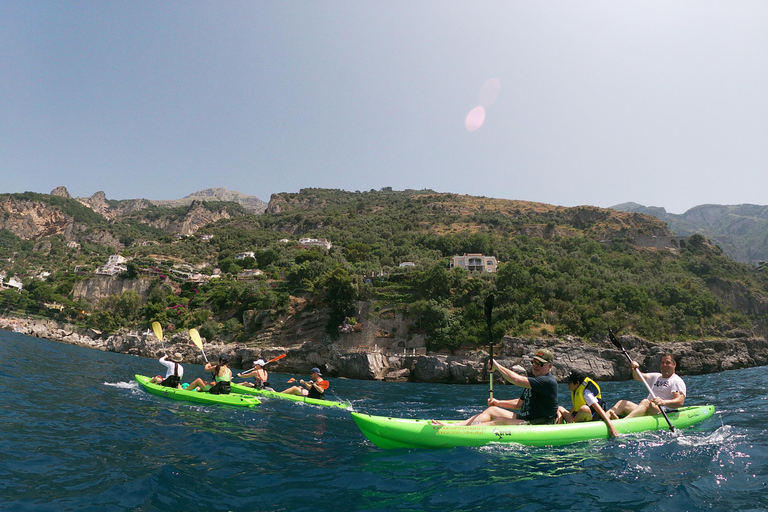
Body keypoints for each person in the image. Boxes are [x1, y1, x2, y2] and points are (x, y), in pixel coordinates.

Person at [437, 349, 559, 426]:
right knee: (492, 410)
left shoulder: (547, 381)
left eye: (540, 364)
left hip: (539, 423)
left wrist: (497, 366)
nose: (535, 366)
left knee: (500, 421)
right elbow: (518, 403)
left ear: (550, 366)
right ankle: (460, 426)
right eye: (534, 362)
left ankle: (461, 431)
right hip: (525, 418)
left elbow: (516, 379)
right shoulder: (536, 381)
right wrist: (498, 402)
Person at [607, 353, 686, 420]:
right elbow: (638, 376)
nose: (664, 365)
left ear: (674, 364)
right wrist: (635, 368)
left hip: (663, 412)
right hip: (648, 408)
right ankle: (604, 418)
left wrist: (663, 402)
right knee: (622, 403)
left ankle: (623, 422)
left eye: (668, 363)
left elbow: (680, 402)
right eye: (662, 363)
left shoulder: (676, 380)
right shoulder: (656, 376)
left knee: (646, 402)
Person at [557, 370, 619, 438]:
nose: (568, 384)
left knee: (584, 409)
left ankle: (570, 427)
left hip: (590, 420)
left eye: (569, 383)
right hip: (578, 419)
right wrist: (568, 415)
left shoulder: (586, 393)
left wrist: (611, 426)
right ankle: (557, 428)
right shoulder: (577, 390)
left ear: (577, 383)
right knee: (559, 408)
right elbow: (576, 406)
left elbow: (599, 409)